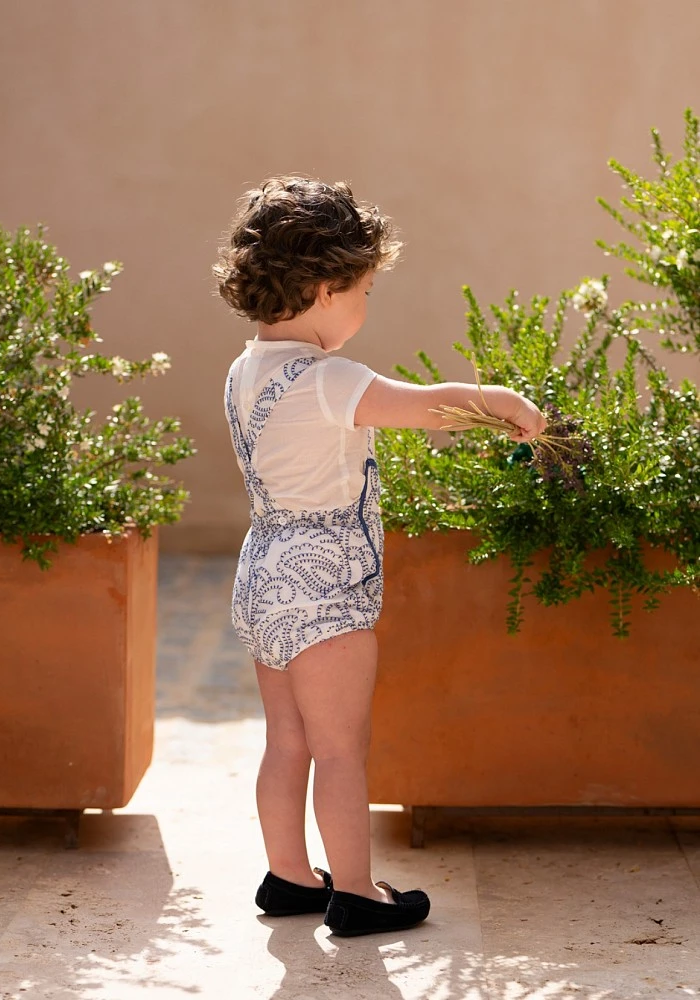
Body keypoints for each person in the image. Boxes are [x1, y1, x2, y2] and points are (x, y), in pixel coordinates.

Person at [214, 176, 546, 937]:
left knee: (287, 739)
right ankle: (359, 892)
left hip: (265, 570)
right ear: (327, 288)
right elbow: (424, 404)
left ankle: (289, 875)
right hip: (324, 585)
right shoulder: (332, 381)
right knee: (341, 748)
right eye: (363, 289)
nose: (364, 306)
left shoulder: (245, 370)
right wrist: (501, 403)